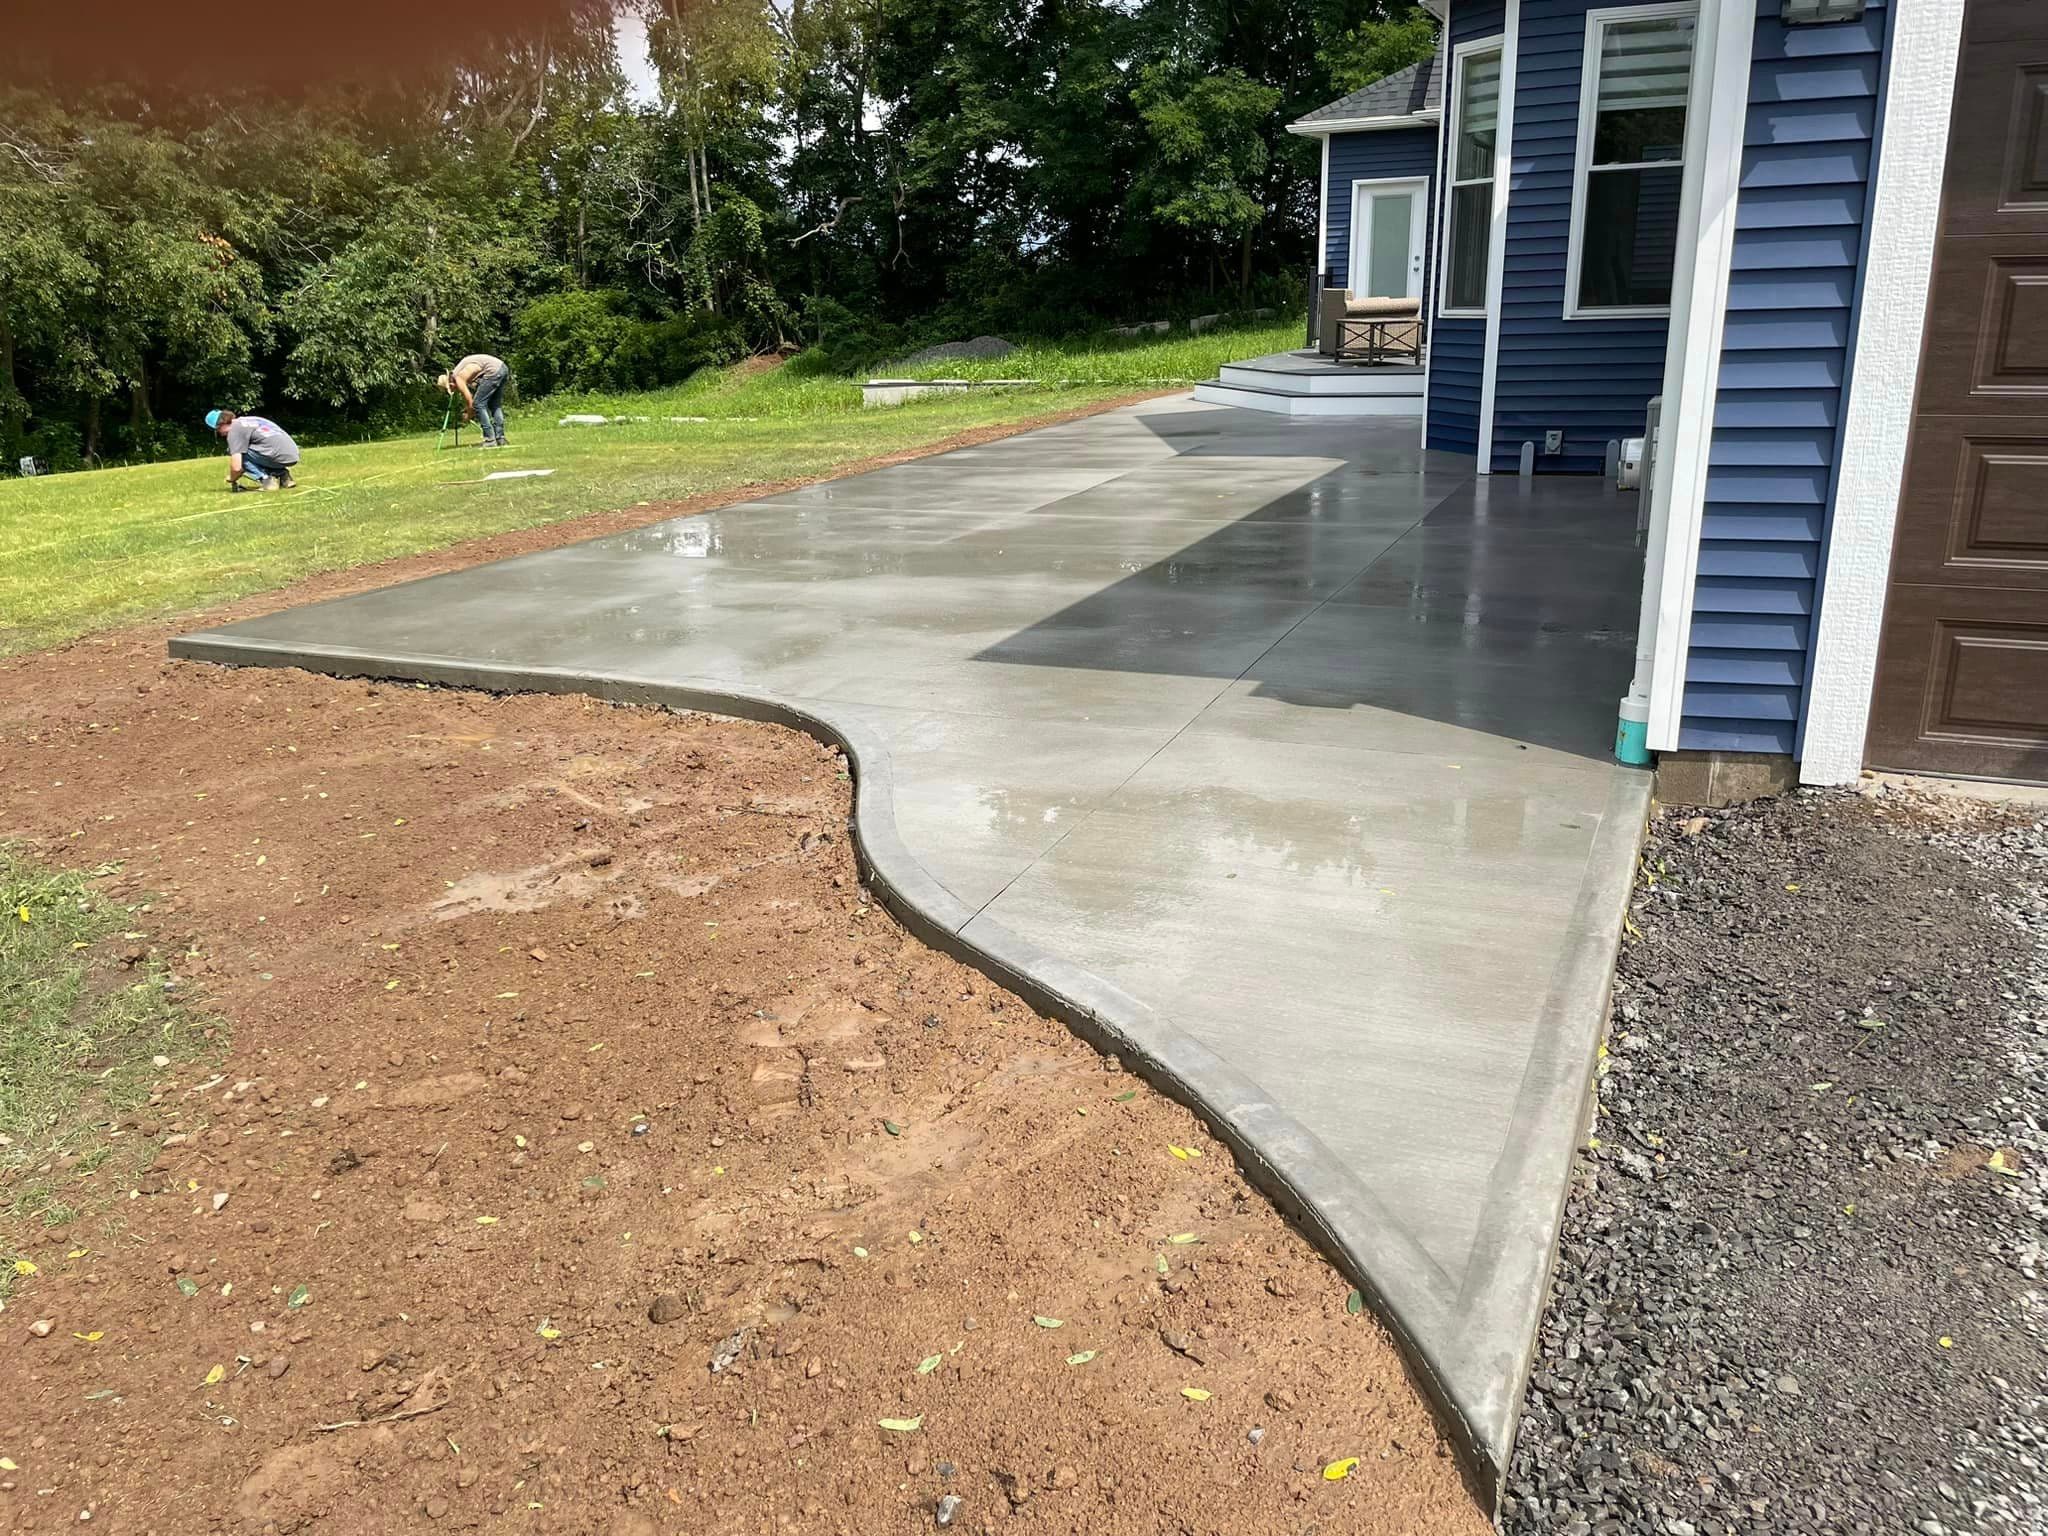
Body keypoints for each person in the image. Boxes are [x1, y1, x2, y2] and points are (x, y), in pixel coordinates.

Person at [206, 409, 300, 491]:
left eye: (217, 430)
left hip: (275, 455)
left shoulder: (234, 431)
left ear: (220, 425)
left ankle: (267, 481)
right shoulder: (248, 420)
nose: (220, 434)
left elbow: (236, 467)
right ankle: (284, 476)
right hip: (293, 454)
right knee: (249, 450)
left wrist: (232, 478)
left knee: (237, 451)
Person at [437, 354, 512, 447]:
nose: (454, 391)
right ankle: (500, 438)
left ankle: (490, 439)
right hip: (502, 367)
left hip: (492, 371)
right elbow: (471, 396)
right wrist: (468, 408)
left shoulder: (458, 378)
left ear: (451, 385)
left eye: (451, 390)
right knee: (495, 404)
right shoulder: (460, 371)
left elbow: (471, 402)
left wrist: (468, 415)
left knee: (479, 404)